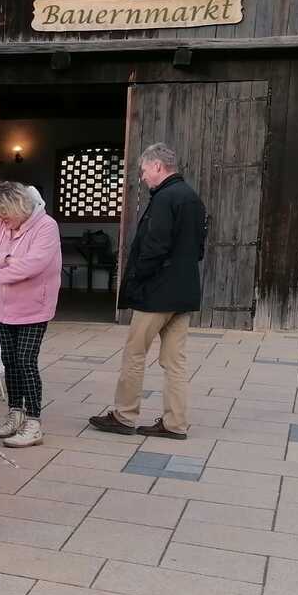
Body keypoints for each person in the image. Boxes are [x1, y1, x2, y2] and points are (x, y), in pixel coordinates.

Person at [89, 143, 207, 441]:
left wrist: (136, 280)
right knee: (175, 361)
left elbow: (154, 247)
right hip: (184, 292)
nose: (142, 177)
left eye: (143, 171)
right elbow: (198, 249)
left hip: (157, 293)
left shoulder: (165, 198)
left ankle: (124, 415)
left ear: (157, 166)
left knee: (134, 353)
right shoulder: (192, 197)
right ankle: (175, 423)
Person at [0, 182, 61, 448]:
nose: (0, 221)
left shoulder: (46, 226)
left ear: (19, 207)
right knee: (9, 360)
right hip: (3, 306)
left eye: (4, 215)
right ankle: (14, 413)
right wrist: (7, 259)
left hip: (34, 306)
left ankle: (33, 422)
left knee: (26, 360)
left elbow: (32, 266)